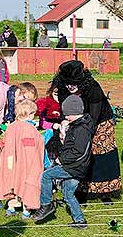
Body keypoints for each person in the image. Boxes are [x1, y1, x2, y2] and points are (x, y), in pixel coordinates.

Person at [55, 60, 122, 203]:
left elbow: (94, 116)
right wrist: (64, 124)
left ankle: (106, 191)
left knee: (102, 154)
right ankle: (80, 191)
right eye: (67, 82)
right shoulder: (62, 89)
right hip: (75, 122)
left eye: (73, 82)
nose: (70, 86)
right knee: (79, 152)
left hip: (100, 121)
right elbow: (64, 111)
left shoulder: (93, 88)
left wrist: (84, 136)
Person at [32, 95, 94, 228]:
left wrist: (61, 159)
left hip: (74, 166)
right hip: (77, 166)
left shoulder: (81, 130)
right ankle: (80, 221)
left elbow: (79, 151)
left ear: (73, 112)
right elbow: (72, 145)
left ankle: (46, 205)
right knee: (68, 194)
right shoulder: (78, 125)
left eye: (66, 114)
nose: (65, 117)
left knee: (46, 175)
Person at [0, 99, 44, 219]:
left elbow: (3, 143)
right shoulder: (30, 129)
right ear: (30, 114)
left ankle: (11, 206)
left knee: (12, 182)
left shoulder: (11, 127)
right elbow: (32, 150)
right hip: (26, 164)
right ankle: (26, 210)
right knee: (25, 184)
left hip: (11, 162)